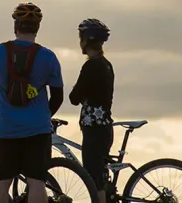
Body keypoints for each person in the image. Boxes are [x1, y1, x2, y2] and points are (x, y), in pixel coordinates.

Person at [0, 2, 63, 203]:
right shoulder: (48, 57)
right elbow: (58, 96)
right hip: (37, 129)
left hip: (6, 128)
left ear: (16, 25)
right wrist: (44, 116)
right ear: (37, 28)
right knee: (36, 182)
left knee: (1, 181)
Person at [67, 18, 114, 203]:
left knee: (93, 177)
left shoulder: (91, 66)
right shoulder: (106, 65)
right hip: (105, 127)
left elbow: (73, 98)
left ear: (86, 39)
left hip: (93, 128)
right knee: (99, 176)